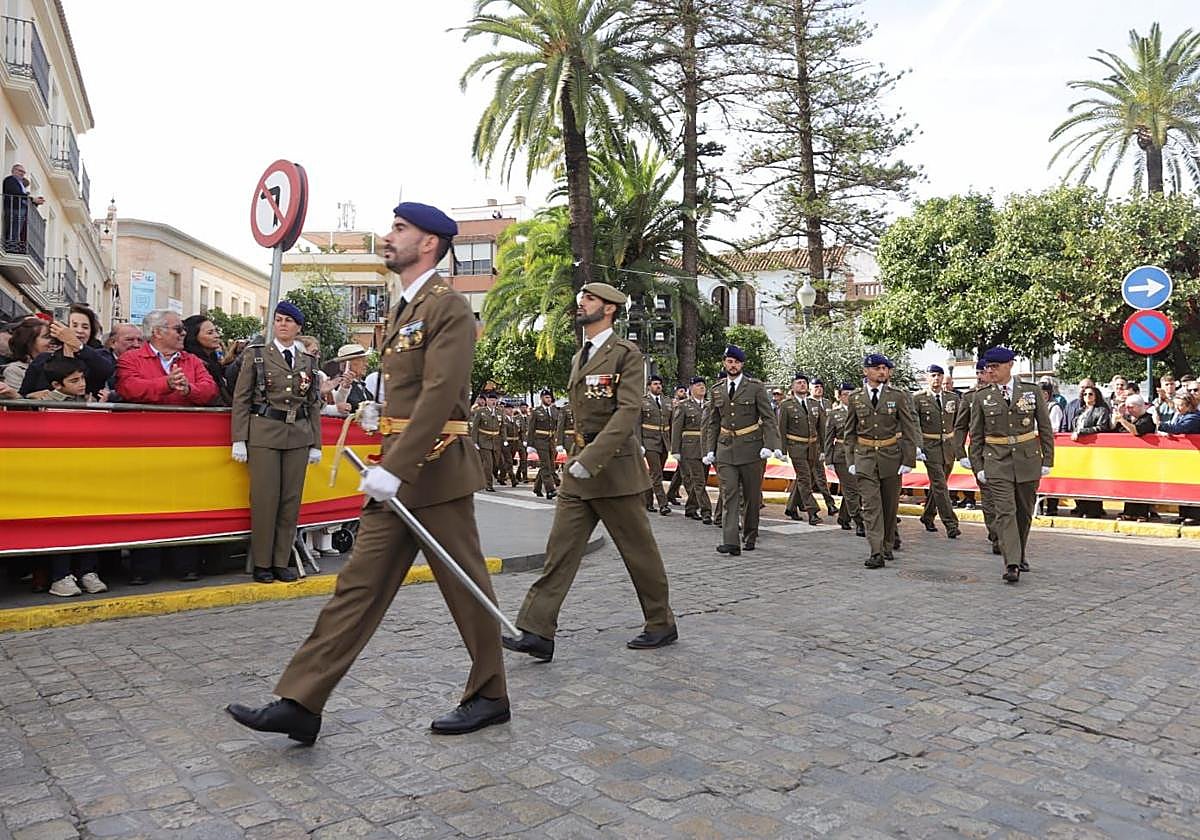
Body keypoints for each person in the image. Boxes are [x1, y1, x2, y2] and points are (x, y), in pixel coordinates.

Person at [227, 201, 509, 740]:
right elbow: (409, 394)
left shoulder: (446, 306)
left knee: (464, 585)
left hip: (435, 472)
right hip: (396, 474)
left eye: (399, 229)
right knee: (355, 588)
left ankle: (490, 694)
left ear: (429, 243)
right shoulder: (403, 308)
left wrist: (395, 467)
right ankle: (301, 702)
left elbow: (441, 393)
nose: (388, 236)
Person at [503, 282, 678, 662]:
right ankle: (537, 630)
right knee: (560, 552)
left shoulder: (626, 355)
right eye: (581, 297)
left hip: (613, 470)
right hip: (578, 472)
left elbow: (627, 411)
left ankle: (661, 622)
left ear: (610, 309)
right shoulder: (579, 356)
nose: (581, 303)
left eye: (590, 299)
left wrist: (590, 458)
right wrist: (575, 456)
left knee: (639, 552)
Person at [229, 302, 323, 582]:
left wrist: (316, 443)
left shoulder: (308, 361)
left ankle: (281, 560)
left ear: (298, 327)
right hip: (264, 431)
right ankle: (262, 563)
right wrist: (239, 439)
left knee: (290, 501)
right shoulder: (258, 356)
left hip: (297, 432)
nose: (282, 325)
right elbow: (241, 399)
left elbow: (313, 403)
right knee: (265, 499)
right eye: (278, 320)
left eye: (288, 321)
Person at [968, 346, 1054, 584]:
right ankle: (1012, 563)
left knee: (1024, 512)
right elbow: (976, 435)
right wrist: (978, 466)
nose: (991, 371)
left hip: (1027, 459)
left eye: (995, 367)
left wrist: (1047, 459)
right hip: (996, 460)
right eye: (988, 367)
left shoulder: (1031, 391)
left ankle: (1019, 552)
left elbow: (1045, 428)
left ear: (1010, 365)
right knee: (1005, 512)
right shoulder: (982, 396)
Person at [702, 344, 782, 555]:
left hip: (751, 448)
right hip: (725, 448)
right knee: (729, 494)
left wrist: (770, 445)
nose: (733, 365)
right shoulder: (717, 389)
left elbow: (769, 418)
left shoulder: (755, 387)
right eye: (730, 361)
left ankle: (750, 534)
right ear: (724, 363)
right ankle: (731, 541)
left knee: (751, 497)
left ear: (742, 364)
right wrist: (709, 449)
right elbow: (712, 422)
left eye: (736, 362)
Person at [845, 353, 918, 568]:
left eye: (885, 368)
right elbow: (850, 431)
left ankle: (887, 545)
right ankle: (875, 550)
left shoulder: (898, 396)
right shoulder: (856, 398)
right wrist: (851, 459)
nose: (882, 371)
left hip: (891, 457)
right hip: (865, 457)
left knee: (889, 505)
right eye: (877, 368)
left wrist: (909, 459)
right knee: (870, 505)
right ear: (866, 371)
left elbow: (908, 428)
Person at [116, 310, 218, 406]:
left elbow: (211, 390)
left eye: (184, 329)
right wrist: (166, 384)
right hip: (145, 422)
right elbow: (128, 388)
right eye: (178, 329)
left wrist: (189, 389)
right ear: (157, 332)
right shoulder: (130, 358)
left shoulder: (192, 360)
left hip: (185, 423)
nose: (184, 333)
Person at [20, 304, 113, 399]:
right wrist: (30, 396)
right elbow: (22, 395)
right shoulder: (43, 359)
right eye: (74, 325)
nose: (79, 330)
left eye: (85, 327)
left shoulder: (98, 355)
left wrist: (77, 344)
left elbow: (106, 370)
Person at [954, 361, 999, 552]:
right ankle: (997, 535)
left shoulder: (1004, 394)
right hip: (981, 454)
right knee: (988, 497)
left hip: (1004, 453)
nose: (980, 377)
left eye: (984, 372)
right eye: (978, 373)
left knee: (1004, 498)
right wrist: (960, 453)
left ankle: (1005, 533)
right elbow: (960, 426)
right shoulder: (970, 397)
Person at [913, 364, 961, 538]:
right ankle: (951, 523)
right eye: (933, 375)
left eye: (939, 376)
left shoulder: (952, 398)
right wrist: (918, 446)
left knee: (938, 486)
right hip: (930, 446)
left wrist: (958, 445)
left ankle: (927, 516)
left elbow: (958, 424)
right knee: (940, 485)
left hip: (948, 447)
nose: (936, 379)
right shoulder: (918, 398)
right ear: (927, 378)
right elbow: (914, 425)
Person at [780, 372, 824, 526]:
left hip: (812, 446)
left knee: (805, 478)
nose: (802, 385)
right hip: (796, 447)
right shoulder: (786, 405)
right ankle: (812, 511)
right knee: (805, 478)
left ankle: (791, 507)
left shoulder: (814, 404)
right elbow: (781, 429)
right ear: (793, 387)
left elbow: (821, 429)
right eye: (798, 383)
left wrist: (823, 449)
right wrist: (782, 450)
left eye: (804, 383)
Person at [670, 376, 712, 524]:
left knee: (702, 480)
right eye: (698, 385)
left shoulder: (709, 405)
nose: (702, 387)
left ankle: (690, 507)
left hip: (706, 447)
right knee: (698, 480)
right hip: (690, 447)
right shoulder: (683, 406)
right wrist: (675, 449)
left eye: (703, 385)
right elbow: (676, 428)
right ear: (691, 388)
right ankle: (706, 511)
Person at [824, 383, 862, 533]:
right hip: (841, 455)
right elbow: (828, 438)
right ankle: (859, 520)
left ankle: (844, 517)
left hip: (859, 454)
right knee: (852, 490)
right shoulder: (834, 415)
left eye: (852, 394)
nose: (849, 397)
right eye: (846, 394)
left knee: (855, 488)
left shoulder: (860, 411)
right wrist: (828, 459)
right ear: (839, 396)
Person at [1070, 385, 1111, 518]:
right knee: (1079, 479)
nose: (1087, 397)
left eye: (1090, 394)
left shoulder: (1101, 410)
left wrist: (1081, 432)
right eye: (1085, 394)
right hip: (1079, 450)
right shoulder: (1079, 411)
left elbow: (1101, 427)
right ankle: (1081, 507)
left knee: (1093, 480)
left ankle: (1094, 509)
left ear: (1096, 396)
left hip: (1094, 449)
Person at [1114, 394, 1157, 522]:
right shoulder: (1129, 418)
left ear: (1140, 406)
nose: (1129, 410)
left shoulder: (1148, 419)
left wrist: (1122, 419)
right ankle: (1129, 512)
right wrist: (1119, 416)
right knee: (1129, 486)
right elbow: (1116, 430)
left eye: (1131, 407)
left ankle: (1142, 513)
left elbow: (1137, 431)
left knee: (1143, 487)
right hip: (1129, 459)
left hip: (1144, 459)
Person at [641, 374, 672, 515]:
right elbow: (636, 424)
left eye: (659, 384)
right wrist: (639, 443)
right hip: (649, 441)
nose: (658, 386)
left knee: (654, 474)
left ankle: (647, 501)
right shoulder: (642, 402)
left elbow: (671, 423)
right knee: (657, 473)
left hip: (664, 441)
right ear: (649, 386)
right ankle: (663, 504)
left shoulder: (667, 401)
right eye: (655, 384)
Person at [183, 314, 231, 406]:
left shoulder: (214, 362)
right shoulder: (191, 363)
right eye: (210, 333)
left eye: (216, 331)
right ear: (194, 336)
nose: (216, 336)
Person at [526, 388, 559, 499]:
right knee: (545, 465)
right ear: (541, 398)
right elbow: (531, 429)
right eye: (546, 397)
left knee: (550, 465)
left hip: (550, 441)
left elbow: (556, 427)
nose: (548, 399)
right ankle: (550, 489)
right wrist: (530, 444)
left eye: (549, 397)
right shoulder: (536, 412)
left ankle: (537, 487)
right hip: (540, 441)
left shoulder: (554, 411)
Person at [2, 163, 45, 247]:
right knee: (14, 228)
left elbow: (23, 196)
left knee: (18, 229)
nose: (22, 173)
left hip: (20, 209)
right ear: (13, 171)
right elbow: (16, 193)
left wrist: (35, 202)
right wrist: (32, 199)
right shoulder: (10, 180)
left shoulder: (20, 183)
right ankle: (11, 246)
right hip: (14, 209)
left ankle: (15, 245)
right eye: (20, 171)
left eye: (23, 172)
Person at [3, 317, 50, 391]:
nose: (52, 341)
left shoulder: (59, 363)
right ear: (29, 342)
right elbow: (19, 400)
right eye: (46, 337)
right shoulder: (15, 370)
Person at [471, 391, 503, 491]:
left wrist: (504, 439)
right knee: (488, 464)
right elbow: (475, 427)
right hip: (484, 441)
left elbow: (502, 427)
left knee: (495, 464)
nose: (493, 402)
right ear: (487, 401)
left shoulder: (499, 412)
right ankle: (488, 485)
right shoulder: (481, 412)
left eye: (495, 400)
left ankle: (483, 478)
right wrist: (475, 442)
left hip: (496, 441)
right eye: (491, 400)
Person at [328, 343, 371, 414]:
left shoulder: (362, 385)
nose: (366, 364)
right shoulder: (338, 384)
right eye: (362, 361)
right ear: (348, 364)